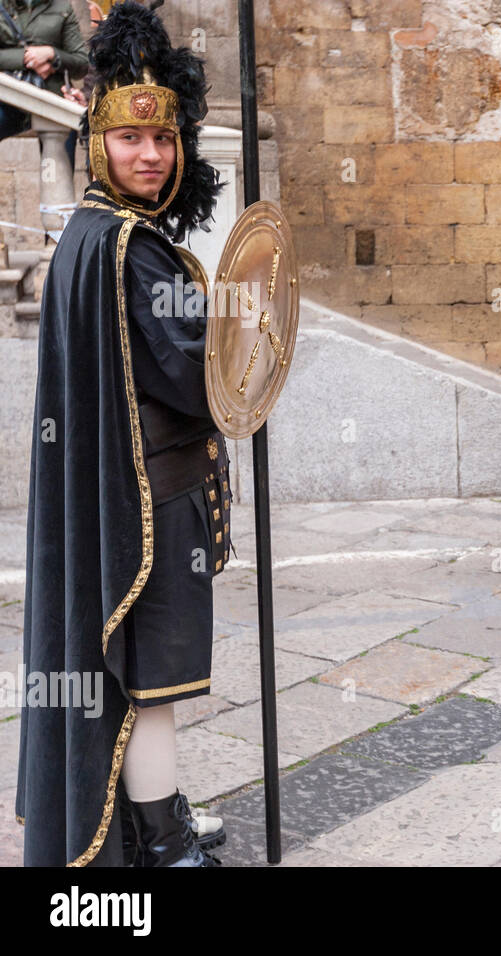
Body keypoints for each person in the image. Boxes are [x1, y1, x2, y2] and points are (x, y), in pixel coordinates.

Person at [16, 0, 225, 866]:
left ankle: (149, 813)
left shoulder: (88, 234)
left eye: (164, 141)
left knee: (135, 680)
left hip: (116, 489)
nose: (149, 155)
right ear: (97, 141)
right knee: (153, 682)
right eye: (132, 140)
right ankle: (163, 843)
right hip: (146, 499)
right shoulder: (127, 245)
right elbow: (199, 375)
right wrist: (245, 333)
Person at [0, 0, 88, 140]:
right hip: (9, 97)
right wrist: (25, 58)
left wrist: (52, 54)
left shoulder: (62, 7)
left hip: (54, 99)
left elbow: (82, 64)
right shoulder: (4, 6)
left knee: (58, 159)